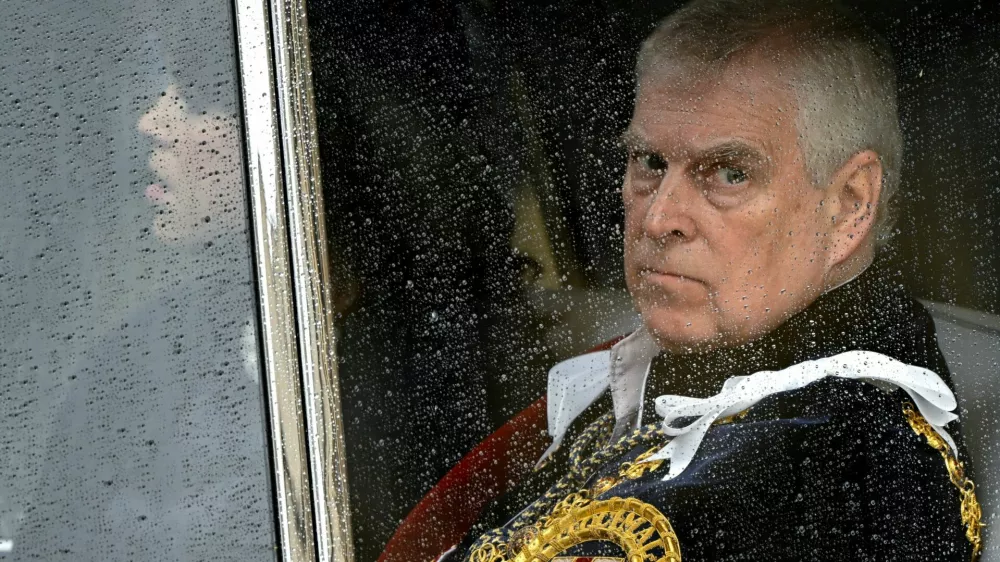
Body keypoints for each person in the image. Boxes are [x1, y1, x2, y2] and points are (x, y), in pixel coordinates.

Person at [436, 0, 984, 560]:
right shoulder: (687, 372)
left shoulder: (848, 476)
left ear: (848, 205)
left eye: (729, 173)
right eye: (649, 161)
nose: (657, 218)